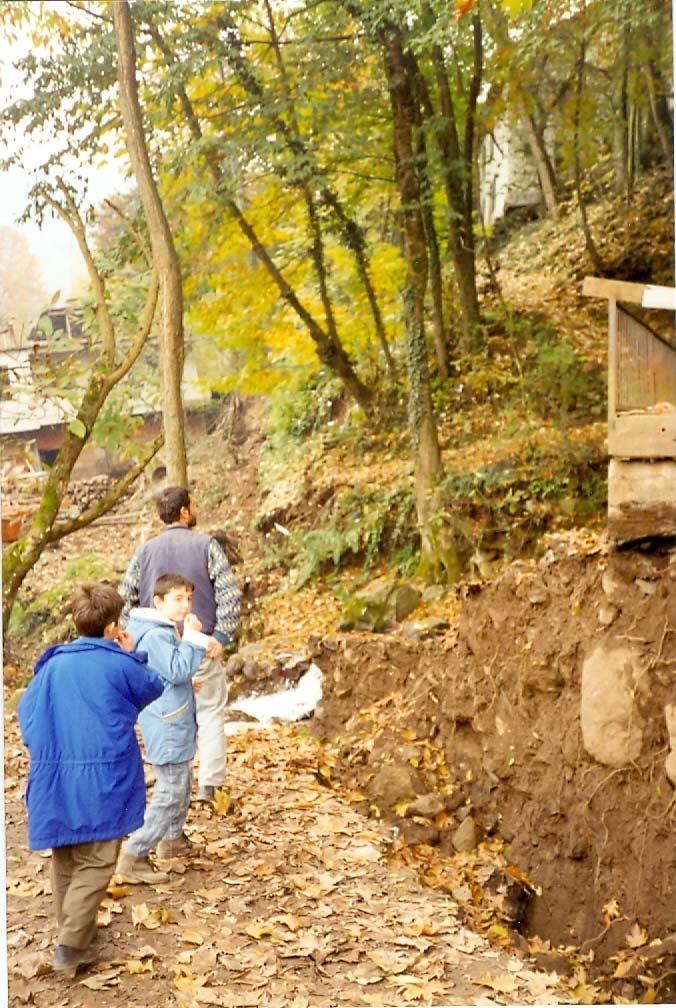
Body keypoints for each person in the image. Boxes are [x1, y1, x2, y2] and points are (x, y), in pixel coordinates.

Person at [17, 582, 164, 972]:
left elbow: (26, 716)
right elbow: (152, 687)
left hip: (55, 773)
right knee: (98, 860)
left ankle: (75, 930)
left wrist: (48, 752)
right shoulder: (119, 662)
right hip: (103, 774)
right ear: (114, 625)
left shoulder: (52, 665)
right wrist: (132, 653)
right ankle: (70, 945)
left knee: (66, 854)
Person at [121, 486, 240, 801]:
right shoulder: (206, 545)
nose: (196, 509)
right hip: (198, 640)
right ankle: (209, 784)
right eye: (194, 505)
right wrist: (220, 637)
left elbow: (125, 598)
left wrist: (130, 640)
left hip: (154, 646)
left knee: (165, 710)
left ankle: (172, 779)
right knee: (210, 711)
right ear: (184, 512)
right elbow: (229, 593)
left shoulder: (144, 551)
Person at [116, 573, 209, 882]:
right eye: (177, 599)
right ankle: (135, 854)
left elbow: (164, 673)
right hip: (168, 721)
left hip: (170, 714)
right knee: (170, 790)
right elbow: (177, 667)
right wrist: (195, 638)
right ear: (158, 602)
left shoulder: (156, 630)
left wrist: (183, 684)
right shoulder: (157, 634)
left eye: (188, 599)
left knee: (180, 784)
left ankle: (171, 839)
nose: (185, 606)